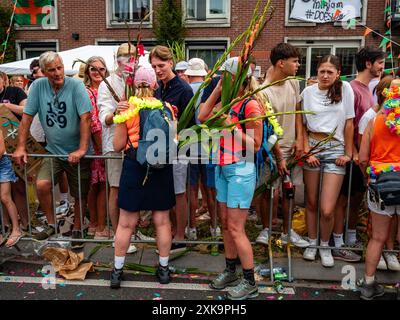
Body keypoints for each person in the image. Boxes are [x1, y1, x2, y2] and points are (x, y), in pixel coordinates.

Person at [13, 51, 92, 248]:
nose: (57, 73)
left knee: (79, 193)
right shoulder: (38, 86)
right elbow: (27, 118)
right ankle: (51, 223)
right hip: (53, 150)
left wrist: (82, 149)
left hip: (75, 149)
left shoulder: (76, 85)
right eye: (52, 70)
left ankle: (77, 226)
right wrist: (21, 147)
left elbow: (86, 117)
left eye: (60, 67)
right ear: (44, 72)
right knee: (42, 185)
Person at [200, 57, 263, 300]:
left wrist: (232, 126)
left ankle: (250, 281)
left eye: (226, 76)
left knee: (236, 228)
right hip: (222, 168)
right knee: (226, 224)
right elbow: (203, 116)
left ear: (238, 78)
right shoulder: (226, 102)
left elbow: (255, 146)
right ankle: (230, 271)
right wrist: (217, 89)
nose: (222, 80)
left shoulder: (250, 105)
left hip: (241, 169)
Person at [110, 66, 175, 288]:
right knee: (162, 221)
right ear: (155, 84)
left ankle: (117, 272)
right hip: (161, 167)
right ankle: (164, 269)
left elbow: (118, 145)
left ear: (134, 85)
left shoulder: (127, 109)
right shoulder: (167, 108)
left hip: (134, 165)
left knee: (126, 223)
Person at [301, 55, 355, 267]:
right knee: (311, 202)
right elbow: (301, 125)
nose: (325, 75)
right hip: (313, 147)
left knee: (327, 208)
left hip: (335, 149)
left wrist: (348, 153)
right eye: (322, 71)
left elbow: (350, 124)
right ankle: (312, 243)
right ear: (317, 71)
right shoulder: (307, 92)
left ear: (338, 73)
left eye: (330, 72)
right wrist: (306, 152)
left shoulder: (345, 90)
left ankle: (325, 246)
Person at [256, 43, 309, 248]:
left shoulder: (293, 83)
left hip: (292, 147)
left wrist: (299, 140)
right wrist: (278, 156)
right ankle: (266, 229)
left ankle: (288, 232)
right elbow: (268, 127)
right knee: (270, 191)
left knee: (290, 191)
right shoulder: (263, 91)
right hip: (272, 151)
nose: (298, 65)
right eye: (294, 61)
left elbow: (297, 113)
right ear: (281, 63)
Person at [335, 47, 385, 252]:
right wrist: (354, 151)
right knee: (344, 199)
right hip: (353, 155)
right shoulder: (352, 89)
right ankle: (338, 240)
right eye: (380, 63)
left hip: (364, 156)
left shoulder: (370, 90)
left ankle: (351, 234)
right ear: (368, 64)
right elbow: (349, 123)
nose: (382, 67)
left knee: (356, 198)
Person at [357, 82, 400, 299]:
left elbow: (363, 157)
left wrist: (368, 176)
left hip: (379, 183)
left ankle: (368, 284)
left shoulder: (375, 121)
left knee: (378, 237)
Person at [150, 46, 193, 253]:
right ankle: (169, 229)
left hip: (179, 149)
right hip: (160, 147)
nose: (157, 70)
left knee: (179, 192)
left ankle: (180, 235)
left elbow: (190, 123)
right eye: (154, 66)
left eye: (161, 65)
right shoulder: (158, 87)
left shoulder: (183, 89)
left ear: (171, 63)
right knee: (166, 191)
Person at [98, 43, 138, 254]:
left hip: (137, 143)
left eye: (133, 57)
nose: (129, 61)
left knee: (134, 188)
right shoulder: (108, 83)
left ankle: (132, 232)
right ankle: (117, 234)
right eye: (125, 57)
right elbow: (104, 117)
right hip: (115, 144)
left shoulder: (139, 79)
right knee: (116, 188)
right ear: (118, 59)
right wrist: (117, 110)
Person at [184, 57, 220, 240]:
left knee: (191, 189)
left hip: (188, 144)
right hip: (210, 143)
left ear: (189, 74)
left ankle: (191, 228)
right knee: (210, 188)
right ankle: (215, 227)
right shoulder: (211, 89)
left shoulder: (184, 90)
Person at [83, 56, 110, 239]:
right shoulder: (88, 92)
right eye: (93, 69)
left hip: (101, 141)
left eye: (100, 69)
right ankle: (100, 226)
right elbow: (93, 122)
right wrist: (101, 149)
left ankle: (94, 224)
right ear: (87, 73)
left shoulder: (106, 89)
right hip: (97, 143)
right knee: (100, 185)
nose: (97, 72)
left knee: (96, 185)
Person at [0, 131, 22, 247]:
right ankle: (4, 228)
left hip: (2, 165)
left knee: (5, 197)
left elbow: (1, 149)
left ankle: (16, 229)